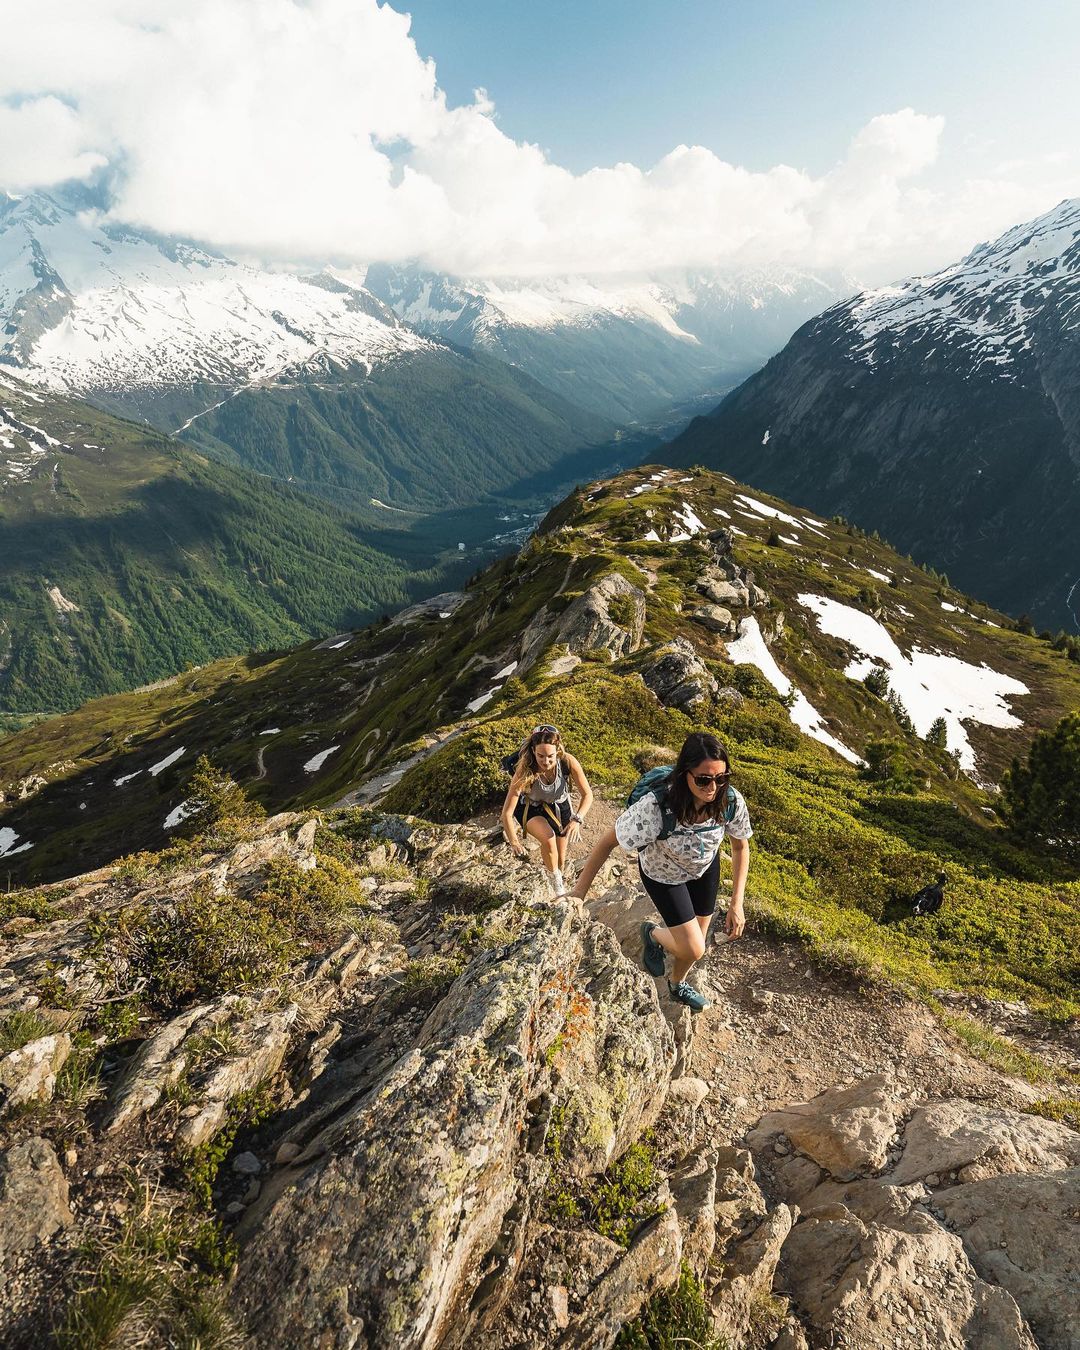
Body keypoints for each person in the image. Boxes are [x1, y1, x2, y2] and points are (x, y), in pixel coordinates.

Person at [570, 731, 751, 1012]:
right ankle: (653, 933)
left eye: (721, 778)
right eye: (704, 779)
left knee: (695, 944)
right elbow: (607, 842)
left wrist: (736, 903)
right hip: (663, 875)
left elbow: (740, 848)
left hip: (704, 869)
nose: (713, 787)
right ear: (684, 774)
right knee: (694, 948)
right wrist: (579, 893)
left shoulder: (730, 801)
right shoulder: (656, 807)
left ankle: (677, 984)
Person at [500, 724, 593, 896]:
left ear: (557, 751)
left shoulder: (568, 762)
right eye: (540, 756)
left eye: (550, 756)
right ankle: (558, 890)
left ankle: (555, 873)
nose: (546, 761)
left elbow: (587, 795)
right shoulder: (524, 769)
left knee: (561, 859)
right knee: (549, 839)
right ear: (533, 751)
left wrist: (577, 819)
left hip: (559, 804)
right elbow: (507, 812)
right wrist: (514, 842)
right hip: (531, 806)